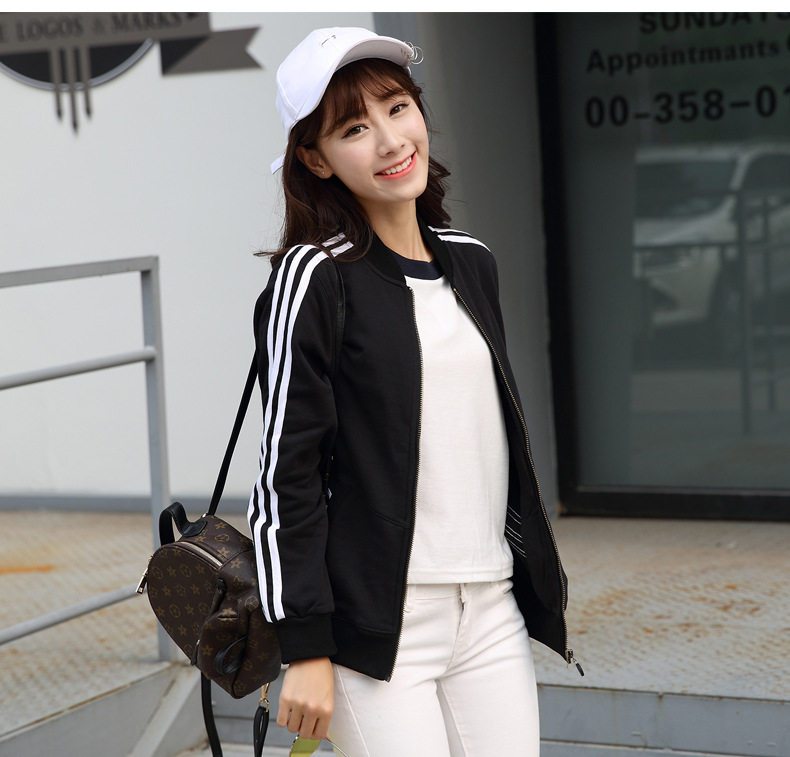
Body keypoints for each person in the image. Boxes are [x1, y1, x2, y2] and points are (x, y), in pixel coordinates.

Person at [248, 26, 578, 757]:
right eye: (353, 129)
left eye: (397, 108)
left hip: (489, 603)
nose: (391, 140)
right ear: (315, 158)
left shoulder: (472, 262)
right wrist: (305, 643)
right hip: (376, 622)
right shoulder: (314, 277)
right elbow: (285, 474)